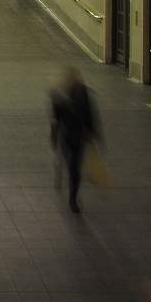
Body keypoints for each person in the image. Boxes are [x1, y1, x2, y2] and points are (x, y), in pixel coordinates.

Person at [49, 66, 101, 213]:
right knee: (72, 164)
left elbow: (89, 114)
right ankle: (72, 192)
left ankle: (72, 197)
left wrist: (53, 135)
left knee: (74, 167)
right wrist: (93, 134)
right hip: (70, 135)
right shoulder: (63, 94)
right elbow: (56, 118)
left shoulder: (76, 93)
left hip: (73, 135)